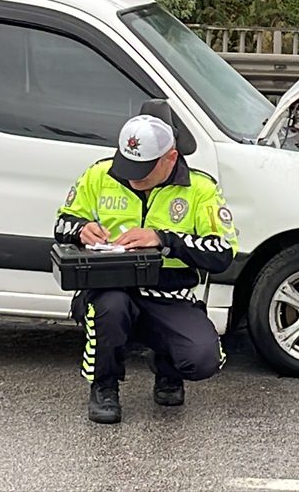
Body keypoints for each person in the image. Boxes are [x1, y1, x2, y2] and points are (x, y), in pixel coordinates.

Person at [54, 103, 238, 424]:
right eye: (127, 164)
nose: (132, 177)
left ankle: (167, 366)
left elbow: (221, 252)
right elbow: (62, 224)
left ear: (171, 157)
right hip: (111, 290)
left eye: (143, 169)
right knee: (109, 308)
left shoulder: (200, 189)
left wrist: (164, 239)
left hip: (170, 297)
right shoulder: (100, 173)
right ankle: (104, 385)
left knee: (203, 358)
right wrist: (81, 230)